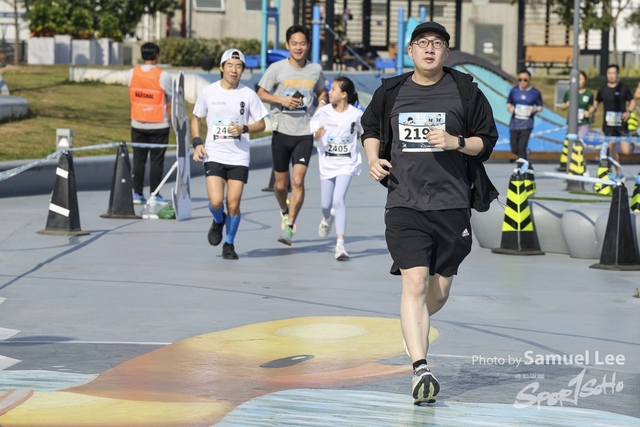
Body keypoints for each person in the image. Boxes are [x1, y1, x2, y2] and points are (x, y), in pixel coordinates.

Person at [361, 22, 498, 405]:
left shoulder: (466, 92)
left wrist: (456, 141)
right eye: (422, 43)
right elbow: (370, 128)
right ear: (410, 51)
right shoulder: (391, 91)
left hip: (451, 203)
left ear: (446, 52)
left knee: (438, 291)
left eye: (437, 44)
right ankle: (420, 368)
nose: (429, 49)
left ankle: (413, 321)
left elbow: (486, 142)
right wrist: (373, 158)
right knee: (415, 283)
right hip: (404, 202)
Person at [191, 49, 268, 259]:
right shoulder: (209, 92)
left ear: (242, 70)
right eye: (230, 66)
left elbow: (261, 124)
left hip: (238, 156)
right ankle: (218, 220)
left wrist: (244, 128)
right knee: (216, 202)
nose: (234, 70)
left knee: (233, 203)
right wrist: (197, 143)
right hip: (214, 154)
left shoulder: (248, 94)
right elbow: (196, 118)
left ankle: (229, 243)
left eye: (239, 66)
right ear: (222, 68)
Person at [257, 25, 328, 246]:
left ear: (308, 46)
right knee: (280, 186)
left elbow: (321, 92)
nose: (298, 47)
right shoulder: (276, 69)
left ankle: (289, 226)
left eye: (302, 43)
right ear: (287, 45)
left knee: (297, 180)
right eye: (294, 43)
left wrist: (322, 104)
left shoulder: (315, 69)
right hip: (281, 131)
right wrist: (282, 100)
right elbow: (261, 93)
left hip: (304, 133)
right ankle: (284, 210)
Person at [310, 77, 363, 260]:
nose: (329, 92)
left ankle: (340, 245)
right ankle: (327, 218)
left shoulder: (356, 114)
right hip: (327, 164)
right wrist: (317, 134)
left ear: (344, 94)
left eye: (333, 89)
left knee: (338, 200)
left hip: (347, 163)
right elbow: (314, 130)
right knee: (326, 204)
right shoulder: (324, 112)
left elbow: (367, 132)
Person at [128, 42, 173, 205]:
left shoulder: (132, 73)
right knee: (157, 161)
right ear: (157, 56)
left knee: (138, 160)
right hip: (159, 124)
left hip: (137, 123)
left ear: (142, 55)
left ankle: (137, 194)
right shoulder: (163, 75)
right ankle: (155, 194)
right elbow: (172, 95)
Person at [593, 64, 635, 179]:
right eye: (609, 73)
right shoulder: (603, 90)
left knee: (626, 151)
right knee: (611, 147)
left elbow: (632, 101)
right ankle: (619, 172)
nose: (611, 76)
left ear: (618, 75)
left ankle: (631, 143)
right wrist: (593, 114)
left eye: (614, 73)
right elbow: (596, 103)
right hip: (609, 125)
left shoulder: (623, 88)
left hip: (621, 124)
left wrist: (628, 112)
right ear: (607, 75)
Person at [506, 69, 543, 160]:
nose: (522, 82)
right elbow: (509, 102)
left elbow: (540, 106)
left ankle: (522, 167)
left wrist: (534, 110)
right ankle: (526, 153)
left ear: (529, 79)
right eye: (520, 80)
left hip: (527, 124)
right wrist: (510, 108)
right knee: (514, 148)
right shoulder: (514, 90)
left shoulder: (535, 92)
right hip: (514, 123)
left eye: (525, 80)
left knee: (521, 147)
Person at [560, 70, 595, 138]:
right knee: (570, 141)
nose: (578, 82)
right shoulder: (569, 92)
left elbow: (592, 106)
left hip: (583, 123)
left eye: (580, 79)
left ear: (585, 80)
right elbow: (562, 107)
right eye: (577, 79)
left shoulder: (589, 94)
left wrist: (589, 112)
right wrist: (566, 105)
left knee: (579, 140)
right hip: (571, 123)